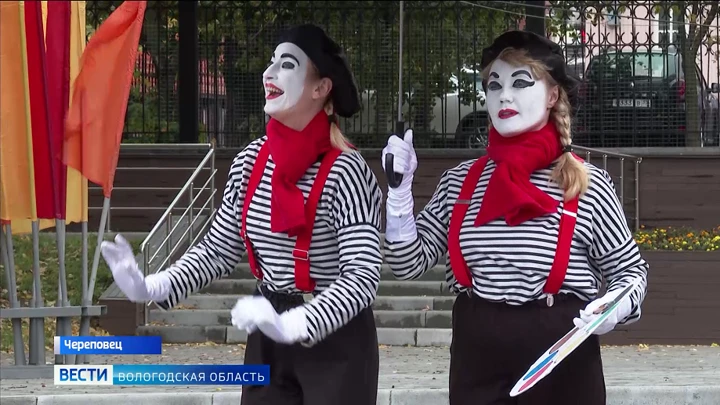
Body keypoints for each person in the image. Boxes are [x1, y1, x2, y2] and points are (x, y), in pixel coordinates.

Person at [101, 24, 383, 405]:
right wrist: (152, 287)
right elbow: (218, 250)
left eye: (287, 65)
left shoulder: (346, 170)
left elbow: (362, 275)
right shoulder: (250, 162)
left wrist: (299, 322)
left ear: (321, 88)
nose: (269, 75)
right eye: (271, 64)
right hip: (268, 331)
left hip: (337, 340)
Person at [381, 30, 649, 405]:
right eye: (494, 85)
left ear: (553, 95)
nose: (504, 95)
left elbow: (631, 273)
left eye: (521, 82)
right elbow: (407, 263)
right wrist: (398, 194)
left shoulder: (586, 183)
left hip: (559, 350)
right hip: (477, 350)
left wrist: (614, 306)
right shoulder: (461, 182)